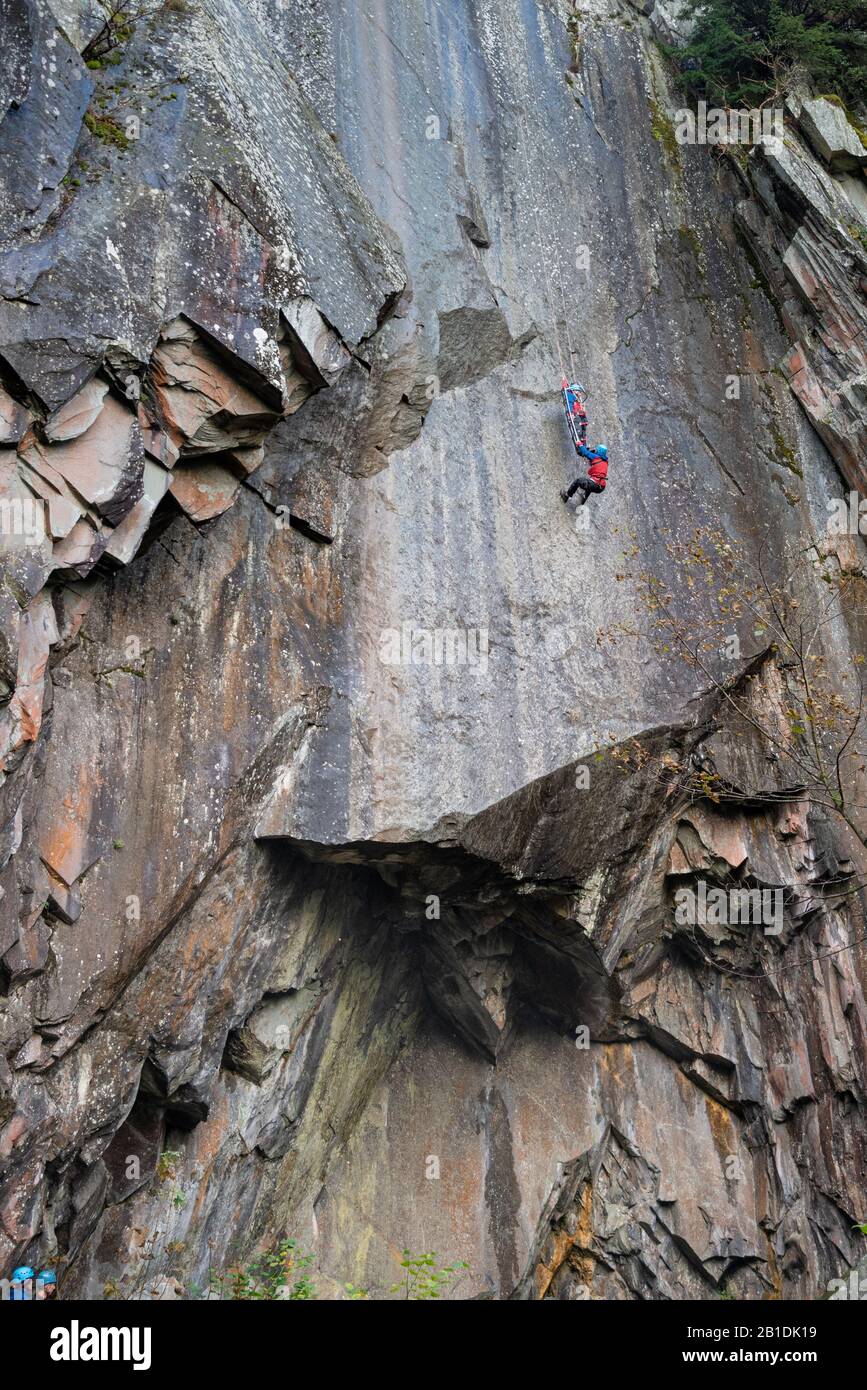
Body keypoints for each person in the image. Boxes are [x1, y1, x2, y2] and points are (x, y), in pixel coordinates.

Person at [561, 442, 608, 507]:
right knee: (589, 487)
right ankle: (582, 501)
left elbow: (586, 453)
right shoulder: (605, 461)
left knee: (578, 481)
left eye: (597, 450)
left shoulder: (596, 457)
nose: (596, 450)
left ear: (599, 451)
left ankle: (566, 495)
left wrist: (580, 445)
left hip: (595, 483)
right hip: (601, 487)